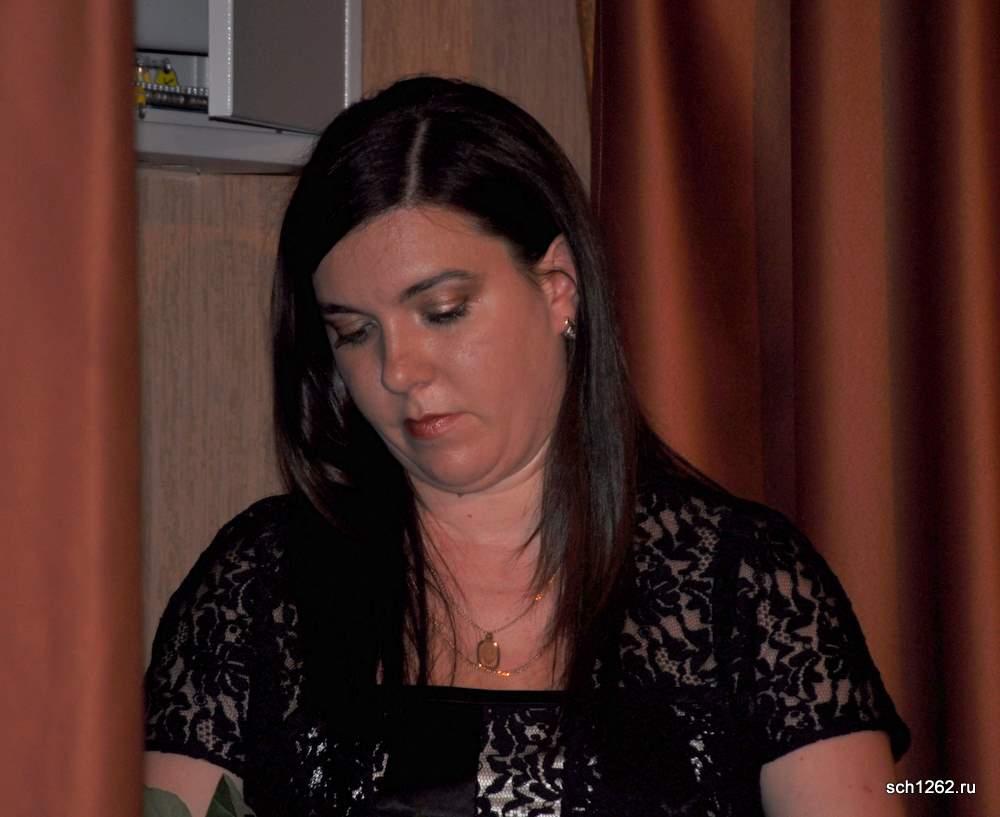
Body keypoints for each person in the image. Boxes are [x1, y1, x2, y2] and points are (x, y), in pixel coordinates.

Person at [144, 76, 910, 817]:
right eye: (354, 332)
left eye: (443, 311)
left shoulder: (746, 583)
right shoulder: (262, 581)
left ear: (558, 288)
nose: (398, 369)